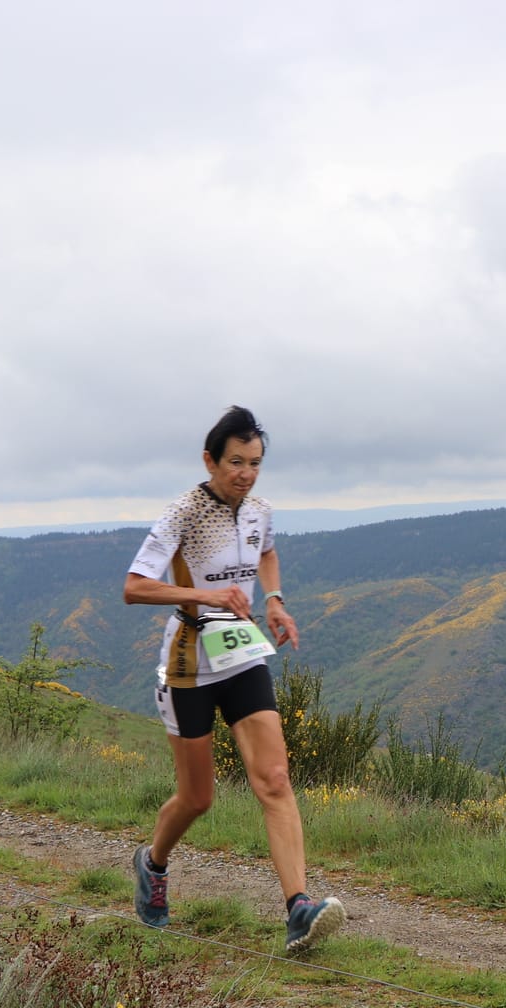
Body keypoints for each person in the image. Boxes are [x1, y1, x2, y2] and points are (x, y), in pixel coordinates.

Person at [122, 405, 346, 953]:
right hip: (189, 661)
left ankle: (298, 907)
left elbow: (266, 551)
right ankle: (152, 864)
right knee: (197, 798)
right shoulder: (183, 513)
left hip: (243, 654)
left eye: (255, 463)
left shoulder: (260, 510)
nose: (245, 474)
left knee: (274, 778)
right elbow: (134, 587)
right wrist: (206, 594)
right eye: (235, 462)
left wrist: (273, 600)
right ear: (210, 460)